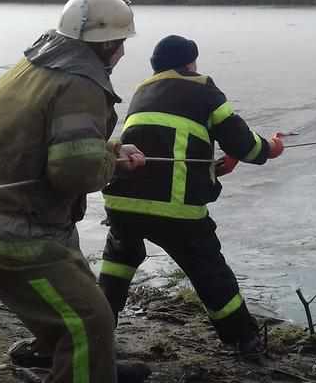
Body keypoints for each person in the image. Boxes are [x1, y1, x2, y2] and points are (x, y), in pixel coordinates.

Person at [0, 0, 150, 382]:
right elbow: (71, 172)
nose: (123, 53)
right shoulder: (80, 85)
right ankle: (84, 362)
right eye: (121, 43)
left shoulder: (36, 65)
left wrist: (107, 151)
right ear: (104, 44)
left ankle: (88, 364)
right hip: (12, 234)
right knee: (89, 320)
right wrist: (113, 163)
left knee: (80, 295)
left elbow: (49, 149)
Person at [99, 34, 285, 354]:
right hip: (176, 210)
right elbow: (245, 146)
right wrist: (272, 147)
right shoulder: (204, 89)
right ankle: (244, 339)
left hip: (123, 201)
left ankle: (97, 328)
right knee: (208, 270)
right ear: (190, 63)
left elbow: (166, 148)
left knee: (119, 260)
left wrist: (211, 168)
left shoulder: (142, 91)